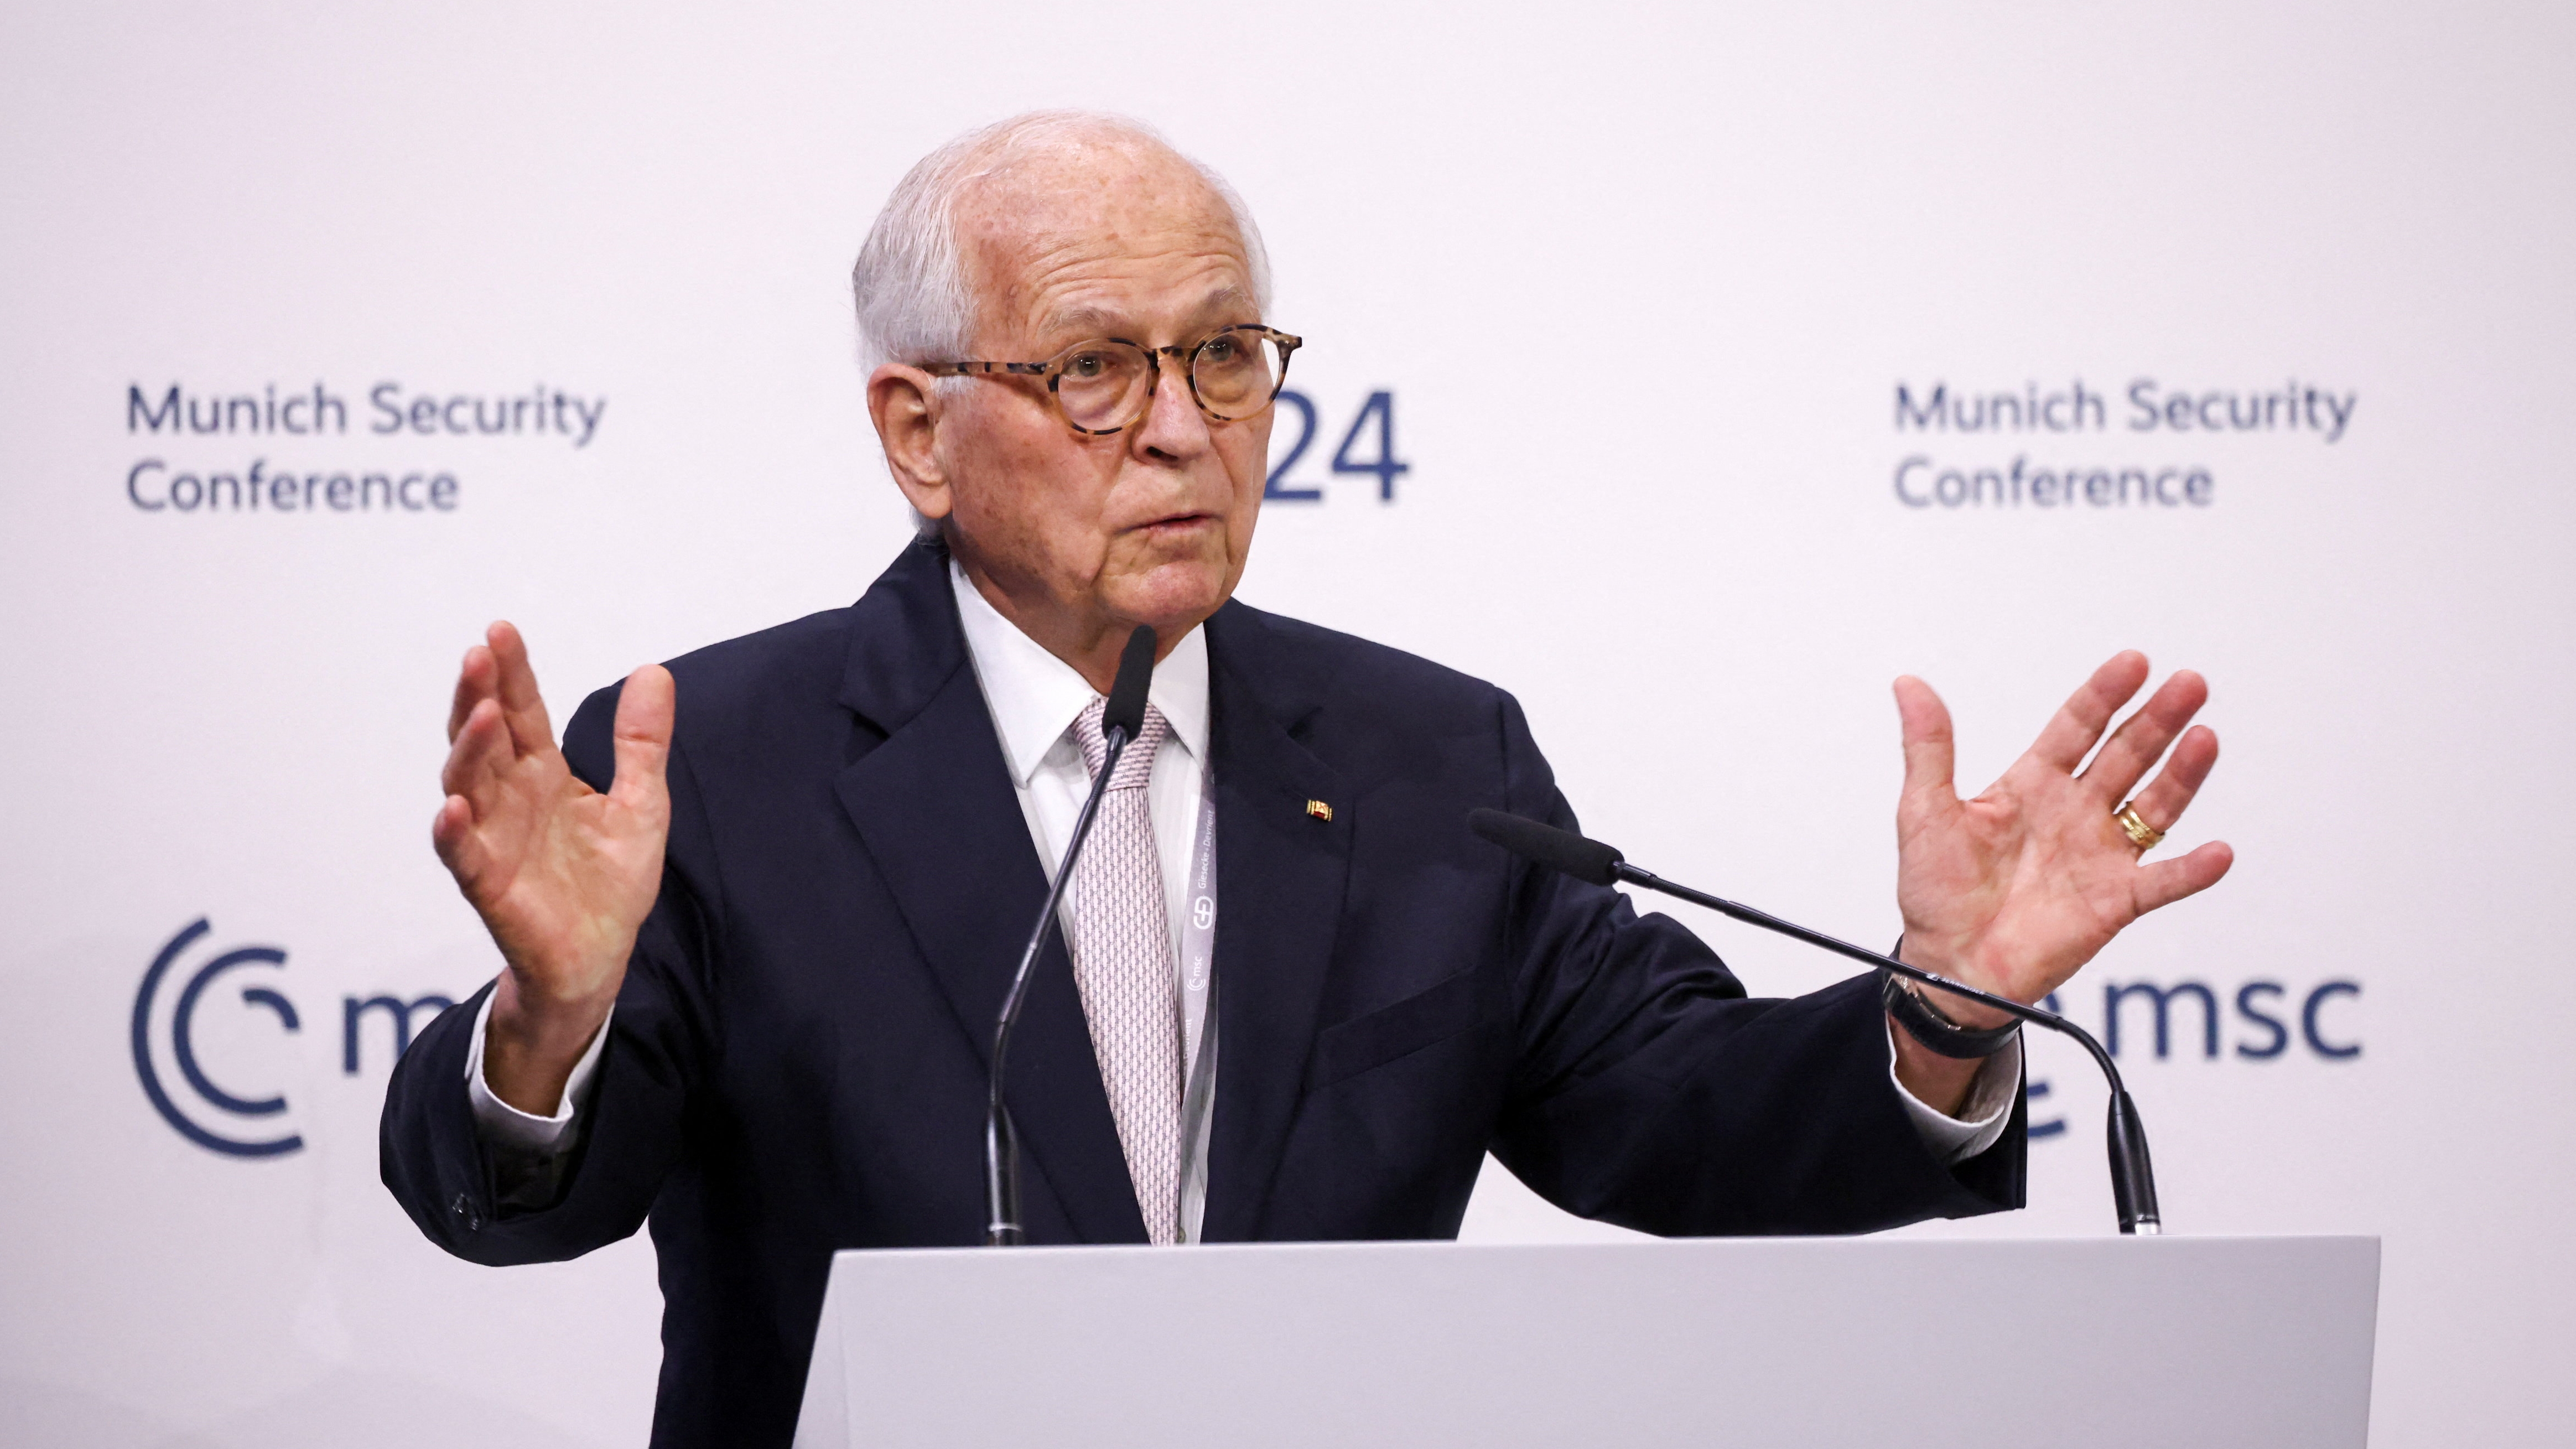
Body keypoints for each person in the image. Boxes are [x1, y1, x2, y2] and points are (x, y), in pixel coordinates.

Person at [381, 111, 2231, 1447]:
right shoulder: (712, 760)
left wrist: (1941, 1014)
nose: (1185, 429)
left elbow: (1672, 1113)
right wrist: (549, 1024)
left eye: (1227, 358)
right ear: (917, 431)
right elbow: (518, 1195)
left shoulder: (1432, 761)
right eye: (1097, 368)